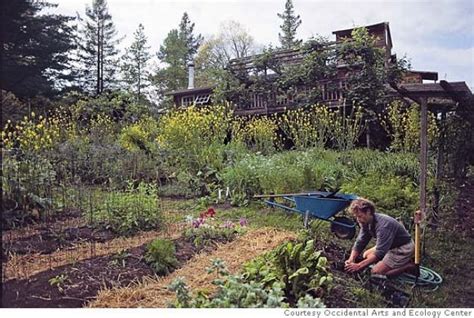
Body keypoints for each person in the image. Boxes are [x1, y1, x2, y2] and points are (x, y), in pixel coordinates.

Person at [344, 198, 415, 275]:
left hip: (402, 248)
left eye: (360, 216)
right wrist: (351, 259)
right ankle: (389, 263)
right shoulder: (367, 221)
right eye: (357, 217)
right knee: (366, 255)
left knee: (376, 272)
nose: (358, 219)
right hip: (389, 245)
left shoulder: (383, 226)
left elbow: (379, 253)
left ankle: (408, 265)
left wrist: (358, 266)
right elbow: (361, 241)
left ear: (368, 211)